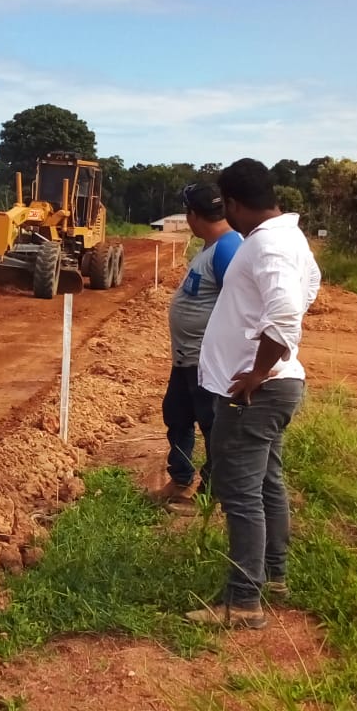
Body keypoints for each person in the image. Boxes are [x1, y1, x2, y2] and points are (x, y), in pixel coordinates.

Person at [186, 159, 320, 630]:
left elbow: (286, 312)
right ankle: (274, 577)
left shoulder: (268, 245)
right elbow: (311, 288)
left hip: (258, 392)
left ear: (236, 204)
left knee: (241, 496)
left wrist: (257, 372)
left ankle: (243, 603)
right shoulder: (289, 237)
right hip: (275, 386)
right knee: (266, 485)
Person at [153, 182, 242, 512]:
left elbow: (240, 304)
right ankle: (180, 479)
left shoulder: (228, 249)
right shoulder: (210, 247)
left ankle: (210, 493)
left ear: (193, 214)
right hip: (186, 358)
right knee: (176, 416)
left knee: (212, 425)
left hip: (208, 361)